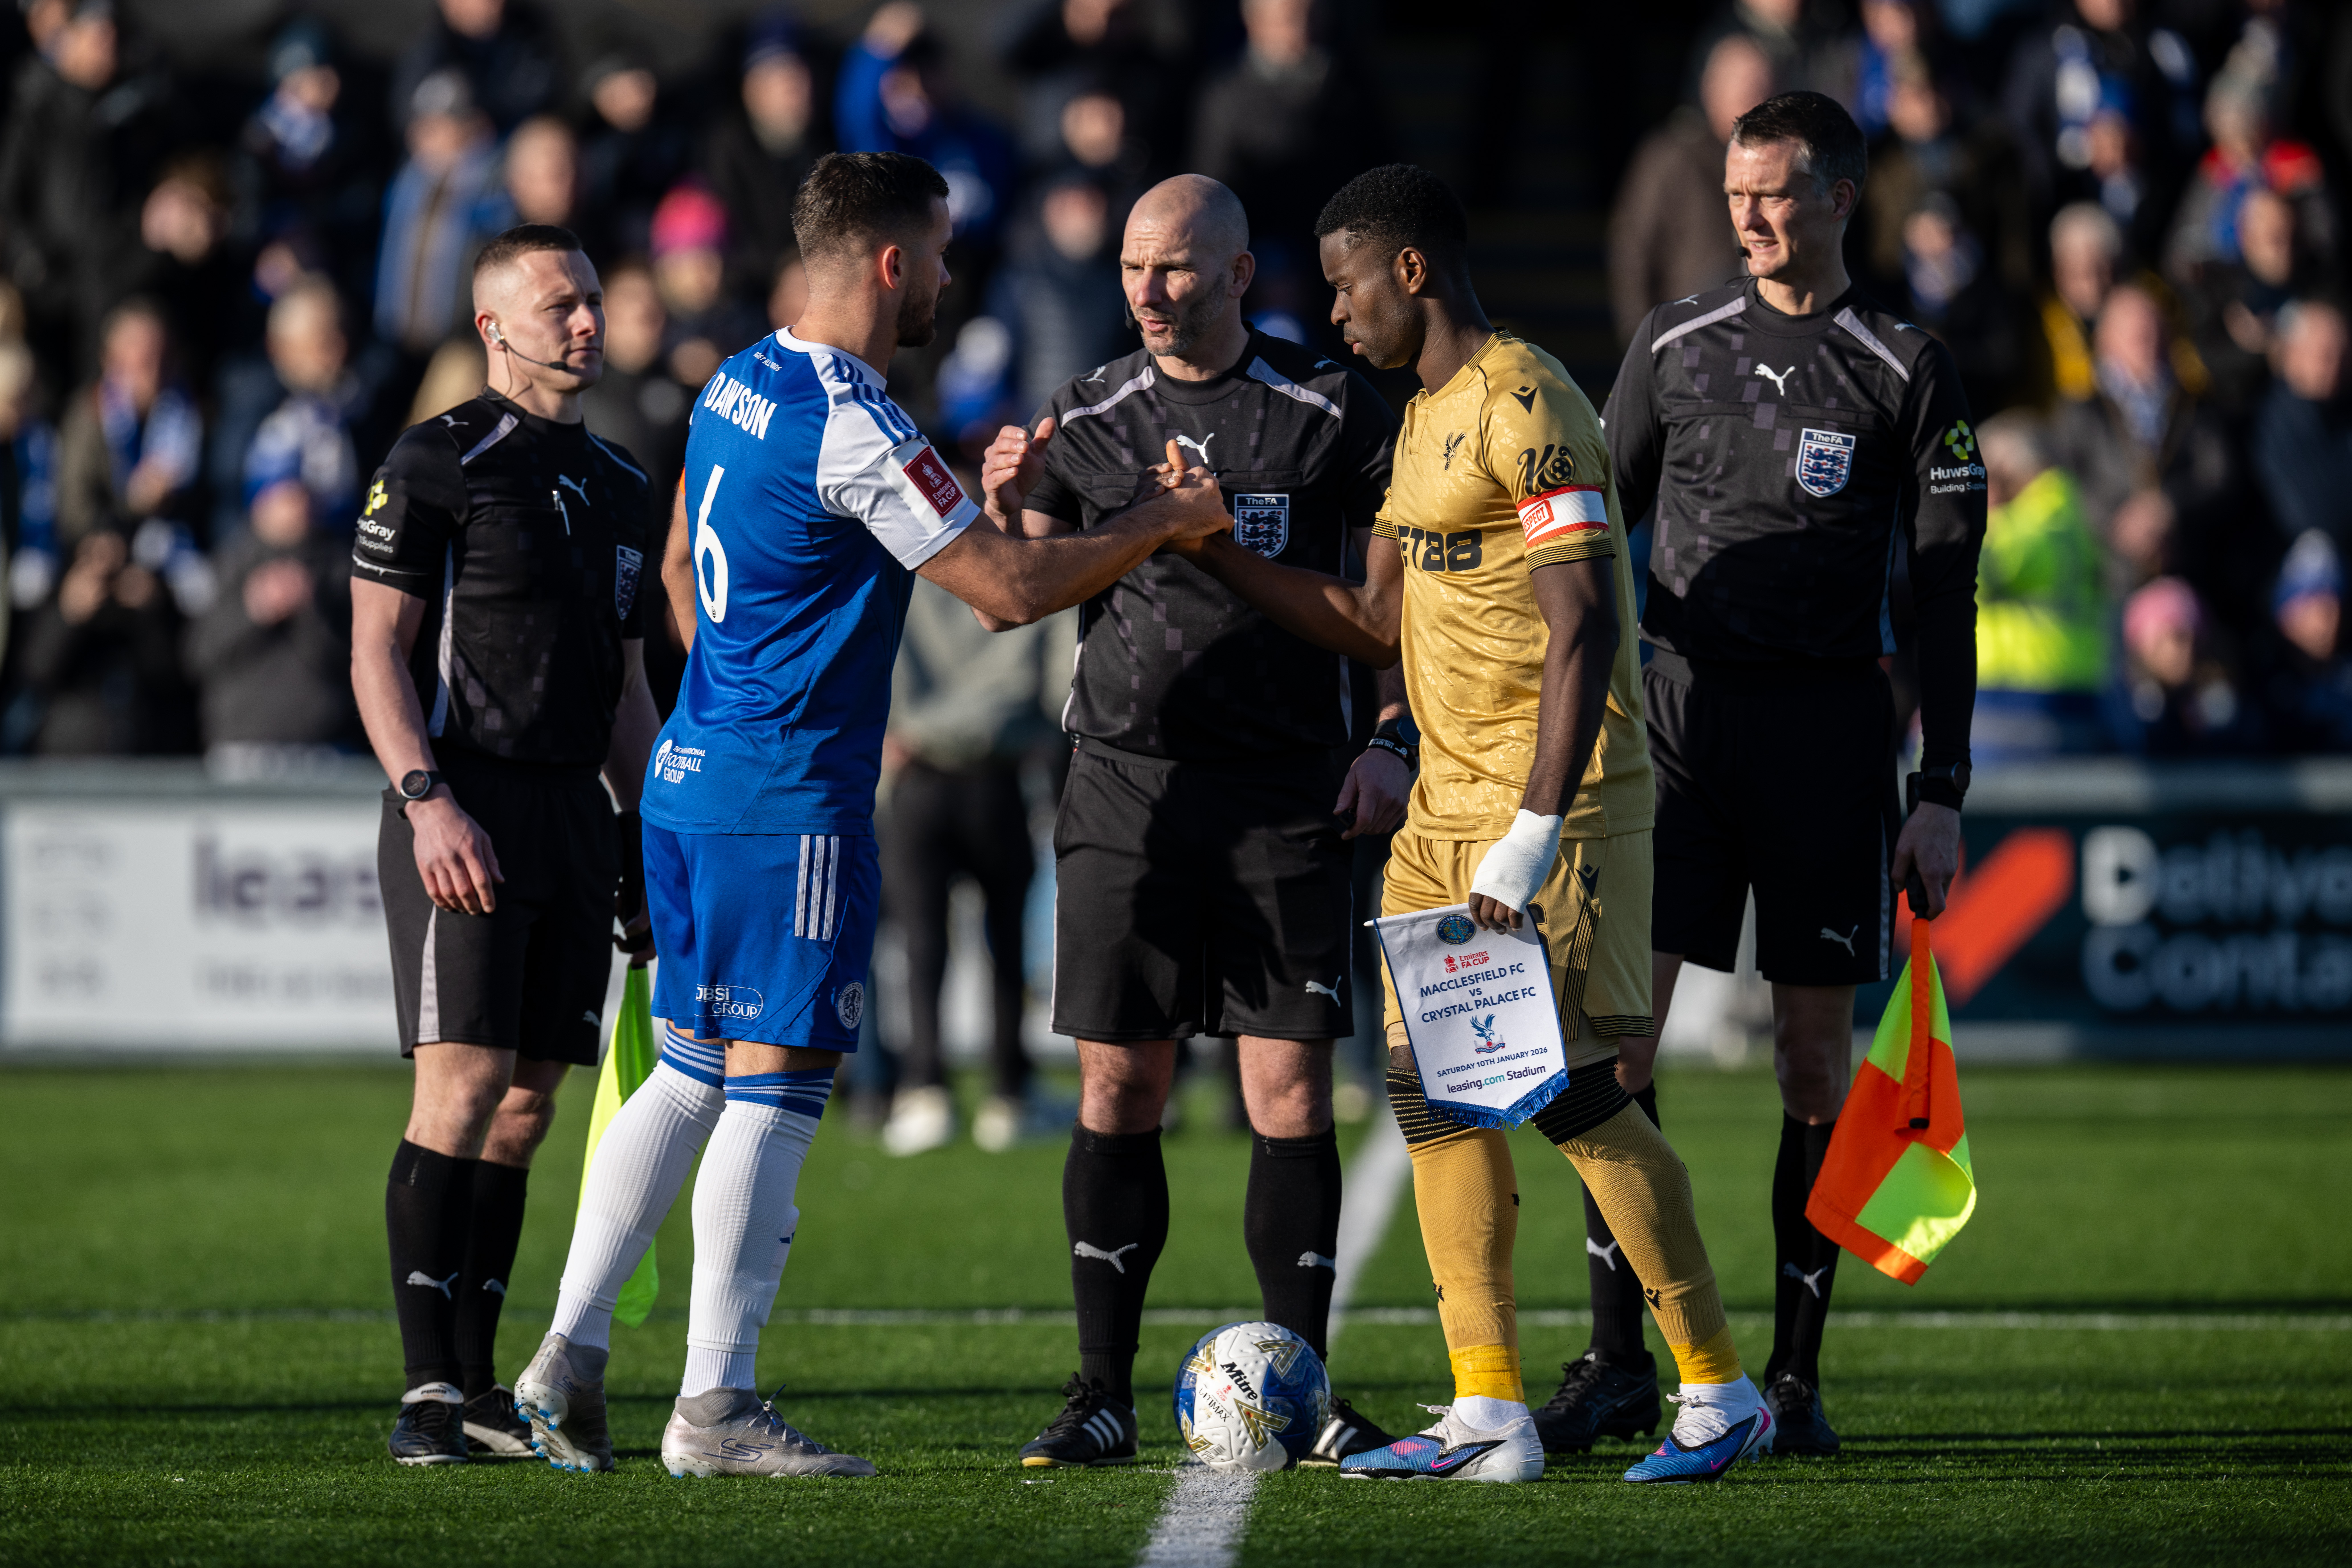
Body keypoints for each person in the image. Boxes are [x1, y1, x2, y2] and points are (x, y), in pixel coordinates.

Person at [511, 150, 1232, 1479]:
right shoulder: (854, 418)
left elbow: (679, 563)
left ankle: (566, 1357)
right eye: (942, 256)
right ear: (892, 262)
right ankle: (714, 1409)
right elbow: (1007, 591)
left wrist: (737, 693)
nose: (949, 281)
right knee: (774, 1094)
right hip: (788, 804)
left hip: (692, 776)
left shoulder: (738, 378)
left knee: (685, 1073)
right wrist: (1162, 522)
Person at [1164, 160, 1773, 1485]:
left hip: (1546, 811)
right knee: (1434, 1103)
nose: (1331, 316)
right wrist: (1210, 551)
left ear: (1411, 271)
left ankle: (1719, 1389)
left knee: (1570, 1100)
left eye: (1341, 286)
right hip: (1439, 810)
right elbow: (1375, 621)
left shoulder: (1528, 400)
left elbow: (1585, 623)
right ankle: (1484, 1406)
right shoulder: (1423, 416)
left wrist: (1533, 829)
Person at [975, 173, 1407, 1471]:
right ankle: (1098, 1388)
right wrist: (1004, 504)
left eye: (1173, 270)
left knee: (1284, 1085)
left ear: (1235, 275)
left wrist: (1391, 737)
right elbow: (1016, 587)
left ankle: (1306, 1386)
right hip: (1126, 785)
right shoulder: (1089, 412)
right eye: (1128, 271)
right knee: (1121, 1077)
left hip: (1289, 786)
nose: (1148, 295)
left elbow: (1391, 611)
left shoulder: (1329, 410)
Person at [1578, 92, 1984, 1457]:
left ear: (1837, 200)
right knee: (1620, 1049)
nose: (1746, 216)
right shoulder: (1674, 342)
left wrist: (1942, 792)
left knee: (1812, 1063)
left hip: (1829, 744)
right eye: (1737, 193)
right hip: (1679, 731)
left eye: (1773, 194)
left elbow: (1944, 600)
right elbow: (1590, 529)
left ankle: (1794, 1378)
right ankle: (1617, 1355)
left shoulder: (1904, 366)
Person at [349, 223, 660, 1466]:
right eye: (559, 304)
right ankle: (429, 1395)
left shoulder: (631, 485)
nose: (585, 320)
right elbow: (375, 648)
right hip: (462, 802)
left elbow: (631, 690)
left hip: (574, 812)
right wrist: (426, 797)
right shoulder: (436, 462)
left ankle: (481, 1390)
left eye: (591, 298)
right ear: (494, 328)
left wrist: (642, 834)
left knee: (529, 1106)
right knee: (461, 1087)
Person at [877, 577, 1068, 1155]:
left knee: (922, 946)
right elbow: (1063, 683)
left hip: (918, 774)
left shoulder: (906, 576)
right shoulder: (1022, 573)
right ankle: (1008, 1095)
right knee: (1005, 946)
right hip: (998, 776)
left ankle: (925, 1090)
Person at [1609, 32, 1773, 346]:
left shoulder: (1782, 166)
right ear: (1711, 88)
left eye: (1766, 90)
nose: (1758, 101)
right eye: (1748, 89)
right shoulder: (1670, 156)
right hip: (1690, 338)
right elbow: (1632, 250)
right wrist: (1642, 341)